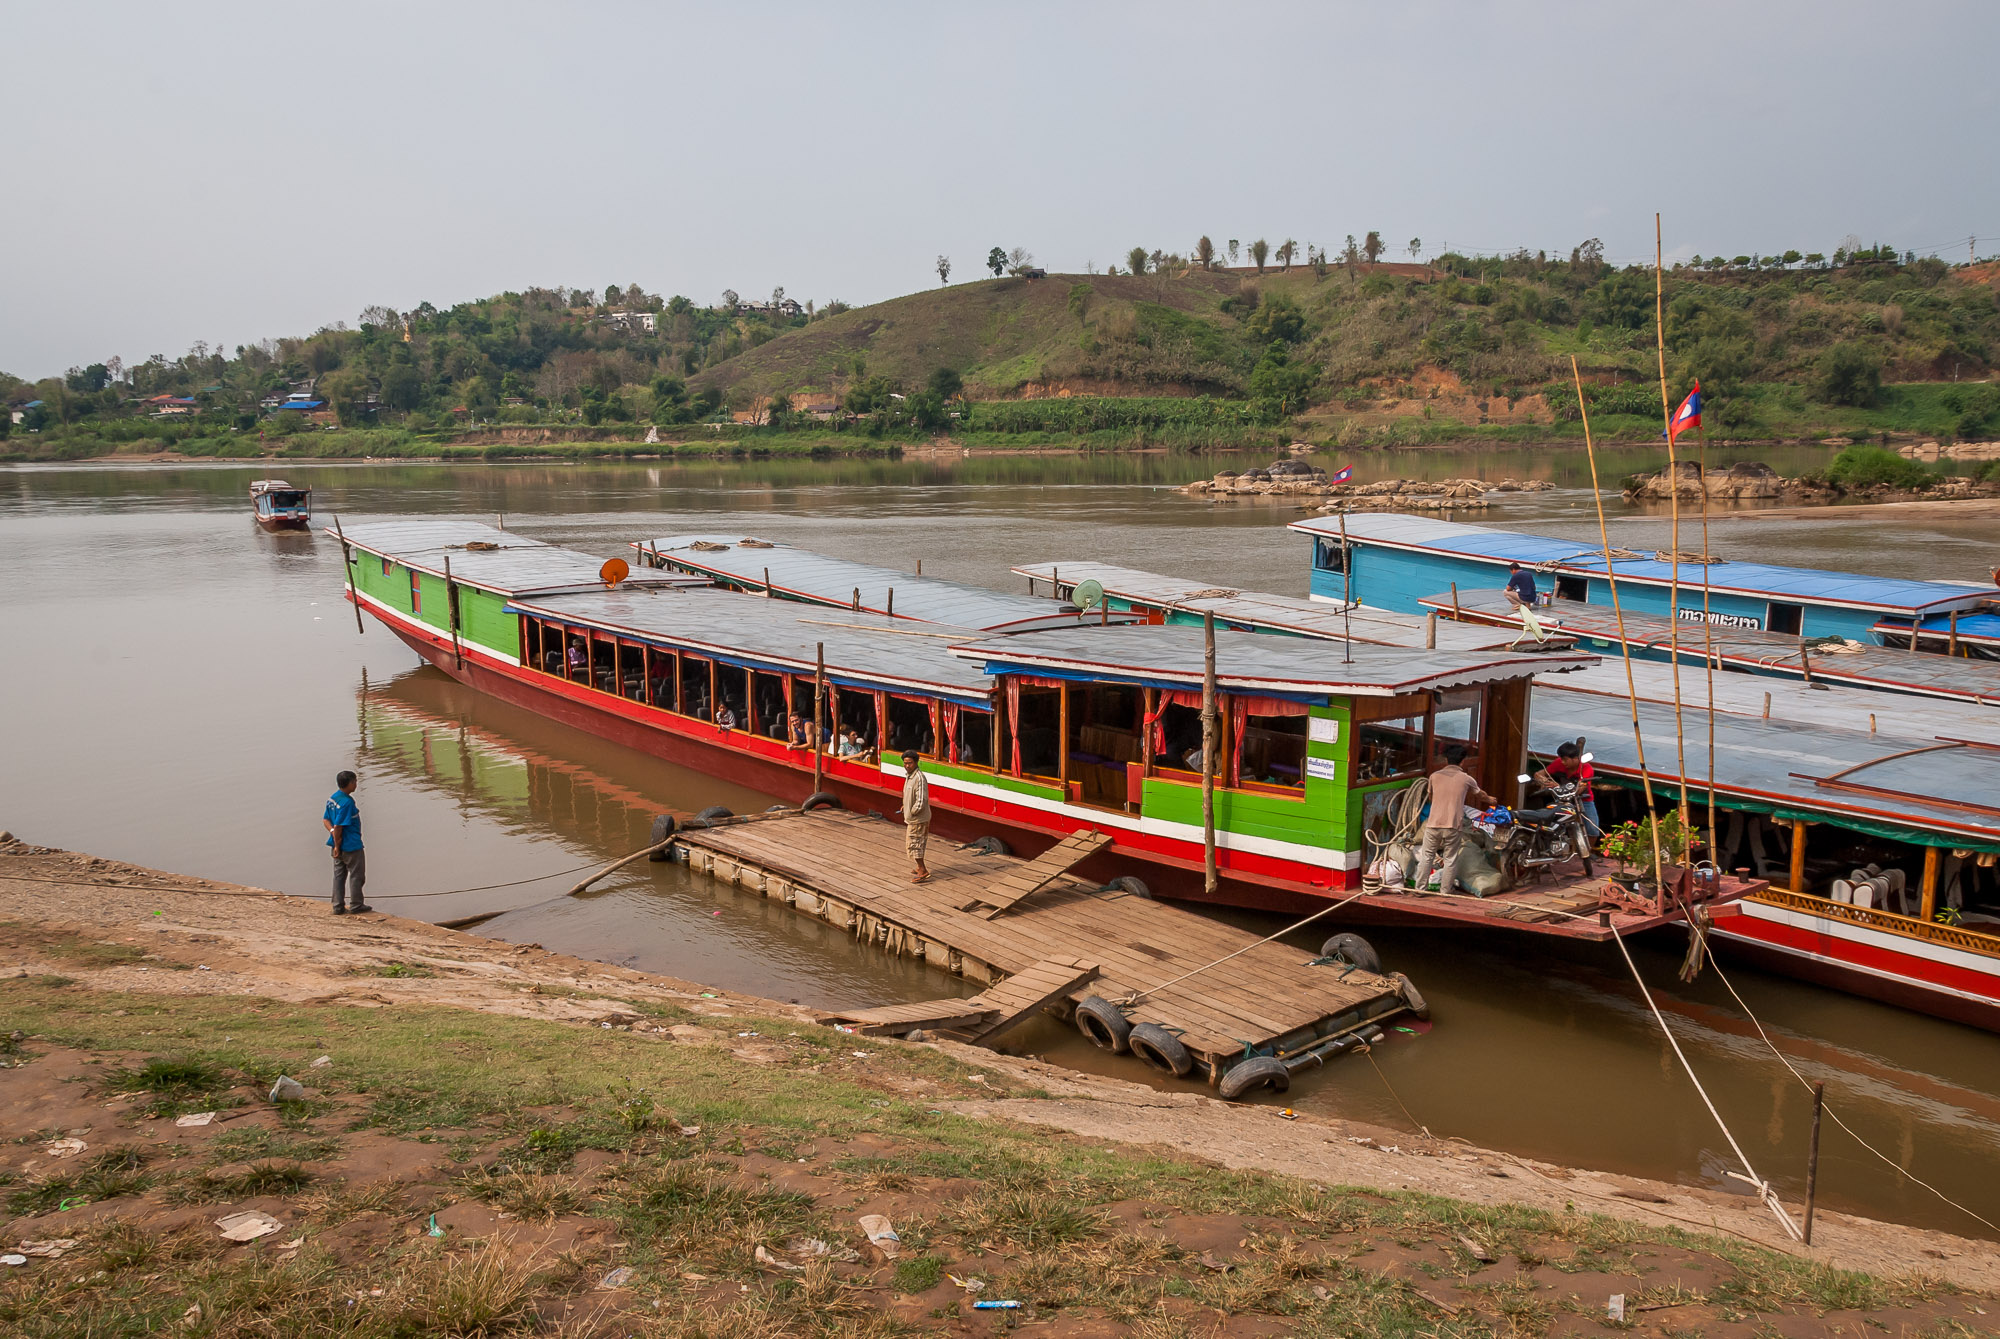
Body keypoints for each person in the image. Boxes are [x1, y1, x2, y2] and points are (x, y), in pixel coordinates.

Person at [1409, 745, 1495, 898]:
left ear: (1446, 760)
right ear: (1463, 762)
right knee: (1450, 859)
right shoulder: (1467, 779)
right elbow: (1480, 795)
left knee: (1427, 856)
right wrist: (1490, 800)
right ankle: (1445, 891)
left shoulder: (1434, 776)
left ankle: (1419, 889)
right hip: (1453, 825)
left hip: (1433, 824)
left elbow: (1430, 797)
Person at [321, 770, 373, 915]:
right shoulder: (347, 803)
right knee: (357, 876)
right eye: (355, 782)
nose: (356, 784)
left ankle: (337, 906)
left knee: (339, 876)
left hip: (336, 844)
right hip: (350, 846)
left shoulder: (333, 799)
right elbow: (339, 826)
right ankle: (356, 905)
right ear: (350, 783)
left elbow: (326, 820)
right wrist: (338, 845)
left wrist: (332, 836)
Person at [1535, 741, 1601, 840]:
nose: (1562, 762)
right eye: (1561, 759)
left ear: (1575, 759)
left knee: (1592, 829)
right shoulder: (1558, 763)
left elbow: (1579, 789)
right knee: (1551, 826)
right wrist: (1544, 781)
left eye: (1565, 760)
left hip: (1584, 801)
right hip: (1563, 800)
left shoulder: (1587, 769)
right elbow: (1539, 774)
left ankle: (1588, 853)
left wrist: (1558, 786)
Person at [902, 750, 932, 883]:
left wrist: (912, 811)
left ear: (916, 763)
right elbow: (909, 795)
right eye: (905, 763)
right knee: (915, 843)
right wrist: (905, 807)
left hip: (918, 818)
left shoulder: (919, 778)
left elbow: (921, 800)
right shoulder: (909, 776)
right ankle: (919, 867)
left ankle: (922, 869)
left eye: (910, 763)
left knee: (915, 844)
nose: (907, 766)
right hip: (913, 816)